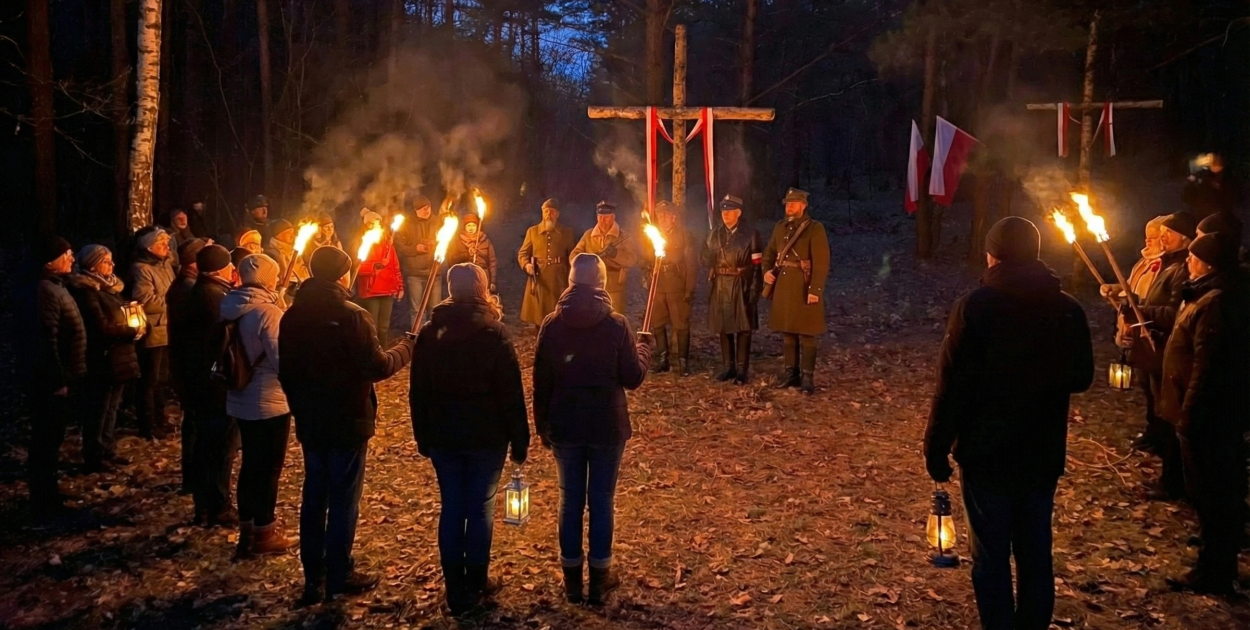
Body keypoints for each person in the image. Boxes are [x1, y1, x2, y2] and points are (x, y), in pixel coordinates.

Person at [924, 216, 1094, 630]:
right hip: (1041, 450)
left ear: (994, 254)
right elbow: (1082, 376)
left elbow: (953, 385)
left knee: (991, 554)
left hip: (988, 454)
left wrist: (936, 445)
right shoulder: (1067, 308)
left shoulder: (977, 307)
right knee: (1035, 550)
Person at [279, 246, 415, 606]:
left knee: (314, 494)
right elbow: (377, 366)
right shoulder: (352, 316)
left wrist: (300, 406)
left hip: (311, 419)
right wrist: (406, 348)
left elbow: (287, 371)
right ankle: (338, 573)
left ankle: (314, 574)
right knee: (342, 498)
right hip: (347, 419)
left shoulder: (291, 315)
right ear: (341, 275)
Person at [533, 254, 653, 605]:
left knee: (570, 501)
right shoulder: (615, 326)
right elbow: (633, 378)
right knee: (601, 502)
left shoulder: (552, 326)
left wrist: (543, 426)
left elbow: (541, 382)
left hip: (566, 427)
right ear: (601, 282)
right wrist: (644, 349)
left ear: (571, 281)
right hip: (605, 427)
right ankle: (597, 579)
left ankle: (575, 582)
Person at [410, 264, 529, 615]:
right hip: (484, 437)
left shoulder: (432, 333)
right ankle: (472, 581)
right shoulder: (492, 333)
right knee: (478, 509)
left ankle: (459, 584)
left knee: (454, 507)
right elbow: (511, 393)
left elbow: (418, 391)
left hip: (447, 436)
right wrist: (519, 440)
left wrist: (424, 435)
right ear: (481, 289)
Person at [1158, 232, 1250, 595]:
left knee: (1214, 494)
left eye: (1194, 257)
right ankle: (1215, 560)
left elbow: (1207, 366)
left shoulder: (1217, 302)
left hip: (1207, 417)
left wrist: (1190, 415)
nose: (1188, 262)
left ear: (1207, 262)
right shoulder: (1209, 294)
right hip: (1206, 413)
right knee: (1213, 495)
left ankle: (1215, 570)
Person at [220, 254, 297, 558]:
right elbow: (283, 359)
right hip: (268, 401)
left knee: (250, 466)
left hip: (239, 396)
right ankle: (264, 533)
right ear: (268, 278)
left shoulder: (231, 304)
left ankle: (247, 531)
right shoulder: (267, 312)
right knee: (268, 469)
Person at [1123, 211, 1195, 500]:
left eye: (1170, 233)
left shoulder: (1182, 269)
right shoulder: (1166, 263)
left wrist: (1141, 311)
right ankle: (1170, 476)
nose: (1163, 237)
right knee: (1159, 413)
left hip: (1166, 351)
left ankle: (1174, 482)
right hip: (1154, 350)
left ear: (1186, 238)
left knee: (1169, 419)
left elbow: (1174, 312)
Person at [19, 237, 86, 515]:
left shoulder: (57, 286)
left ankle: (48, 491)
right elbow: (47, 339)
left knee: (52, 437)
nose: (71, 258)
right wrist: (56, 380)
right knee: (46, 438)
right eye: (67, 254)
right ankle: (43, 498)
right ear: (50, 260)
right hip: (48, 382)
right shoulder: (45, 291)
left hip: (58, 377)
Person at [178, 245, 240, 527]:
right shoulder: (213, 296)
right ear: (219, 269)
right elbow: (221, 340)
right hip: (213, 384)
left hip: (201, 380)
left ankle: (206, 505)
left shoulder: (203, 290)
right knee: (218, 446)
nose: (233, 270)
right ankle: (217, 504)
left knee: (209, 443)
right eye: (229, 265)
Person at [67, 245, 140, 473]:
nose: (112, 265)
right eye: (106, 261)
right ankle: (94, 455)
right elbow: (100, 326)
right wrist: (129, 330)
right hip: (102, 357)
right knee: (98, 409)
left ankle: (107, 449)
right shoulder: (87, 291)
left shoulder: (111, 288)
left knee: (112, 407)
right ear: (92, 265)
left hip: (118, 355)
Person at [1099, 216, 1166, 452]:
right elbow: (1130, 288)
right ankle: (1152, 431)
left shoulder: (1169, 266)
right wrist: (1115, 291)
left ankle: (1162, 435)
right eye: (1147, 235)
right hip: (1135, 335)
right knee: (1146, 387)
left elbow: (1155, 302)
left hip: (1153, 336)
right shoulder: (1143, 262)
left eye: (1155, 236)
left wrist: (1137, 306)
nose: (1148, 240)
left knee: (1159, 390)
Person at [762, 188, 830, 394]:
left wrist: (815, 289)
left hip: (804, 284)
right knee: (788, 333)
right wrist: (766, 271)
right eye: (787, 203)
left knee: (808, 334)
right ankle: (791, 373)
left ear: (804, 205)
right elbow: (769, 252)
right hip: (783, 284)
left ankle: (807, 378)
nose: (789, 206)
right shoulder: (780, 227)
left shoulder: (815, 229)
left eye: (794, 203)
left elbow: (821, 262)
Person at [703, 194, 764, 384]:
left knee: (743, 329)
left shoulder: (751, 234)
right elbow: (705, 259)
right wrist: (705, 255)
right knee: (724, 327)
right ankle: (727, 367)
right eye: (723, 211)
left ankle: (741, 370)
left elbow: (757, 266)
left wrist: (754, 292)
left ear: (738, 213)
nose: (726, 215)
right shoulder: (715, 234)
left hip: (741, 285)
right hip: (721, 284)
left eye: (730, 211)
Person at [130, 227, 176, 439]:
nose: (166, 247)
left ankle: (160, 418)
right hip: (153, 330)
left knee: (161, 379)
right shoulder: (142, 269)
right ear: (148, 247)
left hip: (166, 329)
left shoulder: (166, 265)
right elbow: (144, 299)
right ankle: (147, 424)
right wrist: (173, 304)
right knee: (149, 380)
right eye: (161, 244)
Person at [643, 201, 696, 375]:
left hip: (677, 285)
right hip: (658, 286)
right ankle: (663, 359)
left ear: (674, 218)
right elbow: (645, 260)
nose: (663, 218)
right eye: (660, 215)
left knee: (681, 324)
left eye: (666, 215)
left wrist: (689, 289)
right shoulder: (653, 235)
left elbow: (691, 263)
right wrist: (647, 276)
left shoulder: (683, 236)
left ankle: (683, 363)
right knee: (658, 323)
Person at [517, 198, 577, 330]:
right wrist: (527, 265)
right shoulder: (532, 232)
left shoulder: (567, 232)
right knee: (539, 311)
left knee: (558, 310)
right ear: (542, 213)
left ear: (557, 214)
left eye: (552, 211)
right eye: (546, 211)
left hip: (559, 278)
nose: (548, 214)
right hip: (539, 278)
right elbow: (522, 254)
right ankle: (541, 337)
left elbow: (573, 256)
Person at [571, 201, 638, 313]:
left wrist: (615, 254)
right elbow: (574, 255)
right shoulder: (588, 235)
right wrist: (586, 262)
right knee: (592, 316)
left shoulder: (623, 236)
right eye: (600, 217)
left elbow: (632, 259)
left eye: (606, 217)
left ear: (613, 217)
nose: (602, 220)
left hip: (614, 286)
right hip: (591, 285)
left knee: (614, 317)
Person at [353, 209, 404, 345]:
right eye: (374, 223)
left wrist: (399, 286)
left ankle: (383, 354)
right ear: (367, 225)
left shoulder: (388, 245)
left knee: (384, 327)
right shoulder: (362, 243)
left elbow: (395, 266)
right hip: (371, 290)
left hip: (387, 289)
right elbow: (357, 267)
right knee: (372, 326)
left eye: (378, 222)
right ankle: (371, 353)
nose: (377, 225)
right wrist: (375, 266)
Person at [394, 194, 441, 327]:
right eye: (423, 208)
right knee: (417, 310)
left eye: (428, 207)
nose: (427, 210)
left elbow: (447, 242)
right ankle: (417, 339)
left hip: (434, 272)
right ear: (416, 210)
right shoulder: (407, 224)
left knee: (435, 309)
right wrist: (415, 248)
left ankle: (433, 339)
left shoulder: (438, 221)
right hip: (414, 273)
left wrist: (436, 245)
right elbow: (400, 245)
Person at [447, 213, 498, 294]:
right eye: (468, 225)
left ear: (477, 226)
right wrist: (467, 255)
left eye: (473, 225)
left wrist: (493, 281)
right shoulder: (458, 242)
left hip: (483, 278)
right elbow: (451, 260)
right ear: (464, 227)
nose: (471, 228)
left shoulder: (485, 241)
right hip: (464, 279)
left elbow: (492, 262)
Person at [1183, 154, 1239, 221]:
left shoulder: (1227, 177)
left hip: (1215, 210)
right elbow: (1191, 166)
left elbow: (1228, 196)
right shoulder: (1205, 172)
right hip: (1201, 207)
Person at [264, 219, 309, 297]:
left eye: (292, 232)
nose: (293, 235)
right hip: (285, 295)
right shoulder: (272, 254)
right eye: (288, 233)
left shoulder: (294, 250)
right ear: (279, 235)